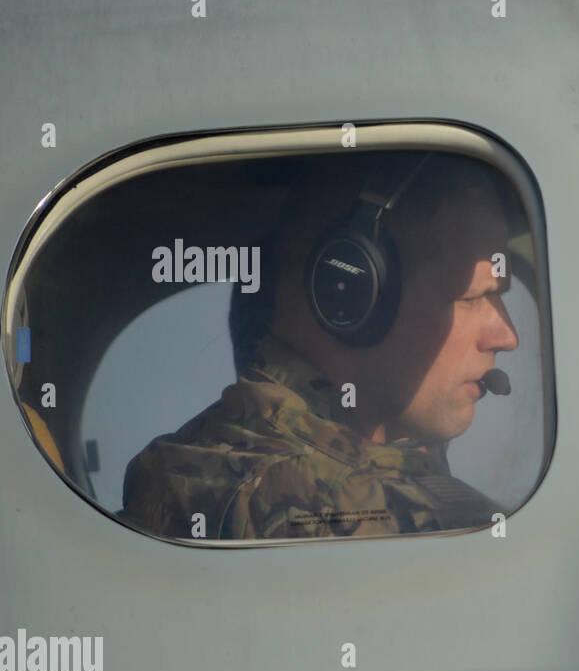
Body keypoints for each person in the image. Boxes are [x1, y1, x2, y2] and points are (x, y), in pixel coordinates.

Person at [120, 153, 520, 539]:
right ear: (352, 295)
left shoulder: (204, 463)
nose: (506, 336)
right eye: (471, 297)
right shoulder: (362, 518)